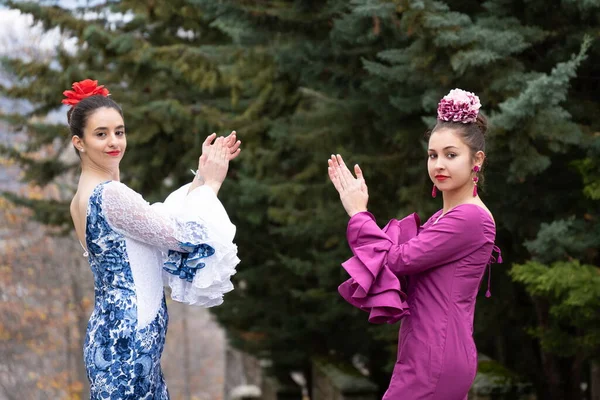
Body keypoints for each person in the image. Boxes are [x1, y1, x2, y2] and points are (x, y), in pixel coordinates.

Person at [65, 79, 241, 399]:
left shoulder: (85, 196)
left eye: (119, 131)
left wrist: (201, 176)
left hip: (118, 337)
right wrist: (212, 184)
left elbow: (153, 221)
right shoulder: (110, 195)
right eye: (101, 134)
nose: (114, 141)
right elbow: (183, 238)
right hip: (128, 345)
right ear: (79, 142)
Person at [327, 88, 502, 400]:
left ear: (477, 160)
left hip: (436, 355)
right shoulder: (442, 218)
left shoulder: (471, 219)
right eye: (432, 155)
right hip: (425, 350)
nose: (438, 165)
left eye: (451, 155)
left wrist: (358, 212)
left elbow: (397, 260)